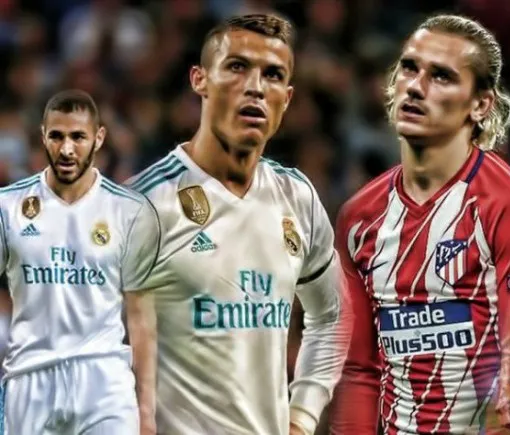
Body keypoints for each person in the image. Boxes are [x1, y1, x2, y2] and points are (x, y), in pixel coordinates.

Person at [329, 14, 510, 434]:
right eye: (409, 68)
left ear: (480, 105)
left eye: (441, 76)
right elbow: (360, 371)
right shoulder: (359, 217)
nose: (415, 86)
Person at [127, 14, 350, 435]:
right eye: (237, 67)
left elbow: (333, 316)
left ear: (287, 97)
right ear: (199, 80)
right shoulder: (143, 204)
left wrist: (302, 417)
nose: (255, 87)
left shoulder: (297, 198)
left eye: (273, 75)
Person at [0, 89, 159, 434]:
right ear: (43, 135)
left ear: (99, 138)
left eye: (78, 137)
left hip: (105, 381)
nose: (66, 149)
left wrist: (146, 409)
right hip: (30, 378)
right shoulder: (8, 206)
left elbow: (141, 316)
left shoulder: (129, 211)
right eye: (57, 136)